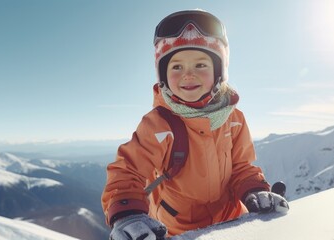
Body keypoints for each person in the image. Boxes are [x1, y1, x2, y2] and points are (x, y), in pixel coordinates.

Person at [102, 9, 289, 239]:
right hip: (181, 232)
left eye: (201, 65)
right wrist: (127, 213)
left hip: (234, 226)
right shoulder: (159, 124)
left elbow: (241, 167)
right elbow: (128, 170)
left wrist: (255, 190)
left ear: (219, 71)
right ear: (163, 75)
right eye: (177, 67)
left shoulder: (234, 120)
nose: (188, 75)